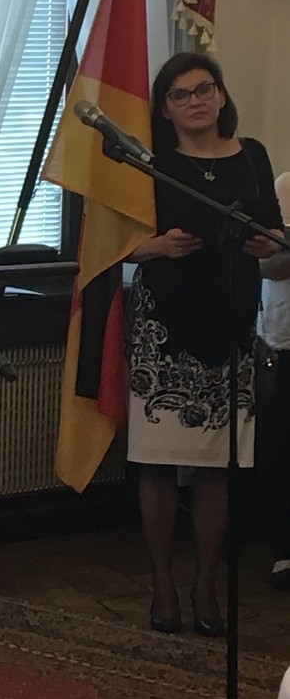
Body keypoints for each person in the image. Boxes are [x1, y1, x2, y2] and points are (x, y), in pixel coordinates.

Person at [125, 52, 282, 636]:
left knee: (218, 465)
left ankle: (206, 585)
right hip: (164, 328)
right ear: (164, 108)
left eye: (205, 89)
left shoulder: (253, 154)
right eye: (181, 94)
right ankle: (164, 583)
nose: (196, 101)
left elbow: (273, 228)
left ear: (221, 95)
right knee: (160, 463)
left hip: (231, 322)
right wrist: (154, 246)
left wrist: (270, 244)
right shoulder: (149, 162)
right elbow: (112, 243)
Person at [257, 172, 290, 588]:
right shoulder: (284, 188)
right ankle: (285, 550)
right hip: (285, 342)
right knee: (281, 451)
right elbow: (266, 266)